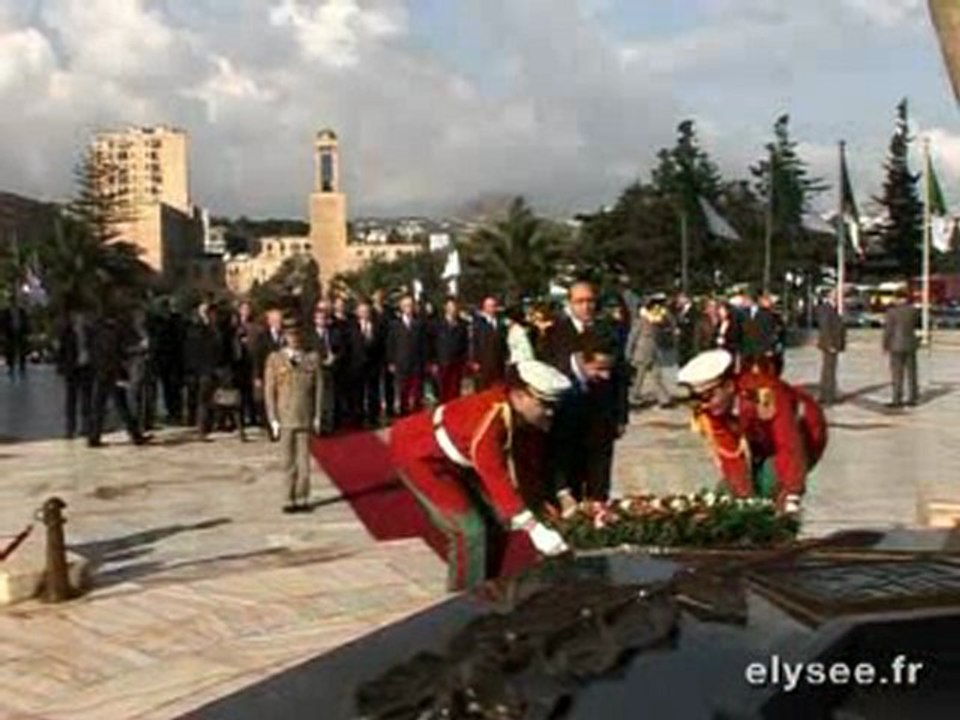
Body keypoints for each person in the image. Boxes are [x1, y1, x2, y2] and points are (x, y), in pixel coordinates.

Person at [389, 360, 572, 591]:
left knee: (498, 519)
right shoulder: (490, 416)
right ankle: (464, 600)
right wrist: (533, 527)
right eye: (544, 404)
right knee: (470, 531)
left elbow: (525, 462)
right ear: (520, 395)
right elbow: (493, 472)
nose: (549, 412)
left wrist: (540, 504)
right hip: (419, 455)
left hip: (455, 458)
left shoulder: (516, 411)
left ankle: (489, 584)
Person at [677, 349, 827, 512]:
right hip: (758, 440)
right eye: (697, 399)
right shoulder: (712, 411)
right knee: (726, 493)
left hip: (804, 431)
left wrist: (792, 493)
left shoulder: (765, 395)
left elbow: (788, 444)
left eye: (707, 396)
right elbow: (730, 455)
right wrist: (744, 499)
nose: (704, 405)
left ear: (728, 386)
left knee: (770, 482)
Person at [539, 281, 629, 501]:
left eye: (590, 301)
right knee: (570, 478)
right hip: (567, 416)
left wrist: (621, 415)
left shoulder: (610, 330)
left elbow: (620, 376)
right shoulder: (554, 334)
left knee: (599, 479)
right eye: (580, 301)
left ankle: (599, 518)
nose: (586, 306)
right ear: (569, 303)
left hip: (601, 416)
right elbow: (548, 371)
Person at [264, 319, 323, 513]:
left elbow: (319, 389)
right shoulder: (275, 359)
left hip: (304, 415)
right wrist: (272, 418)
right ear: (284, 338)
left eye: (297, 336)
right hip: (285, 416)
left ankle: (302, 496)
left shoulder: (311, 359)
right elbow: (270, 390)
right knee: (287, 461)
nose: (294, 340)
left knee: (304, 461)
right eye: (290, 336)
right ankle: (287, 498)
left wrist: (317, 415)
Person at [627, 300, 672, 409]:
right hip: (641, 354)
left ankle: (664, 399)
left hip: (654, 353)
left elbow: (667, 325)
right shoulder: (640, 322)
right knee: (638, 378)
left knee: (656, 377)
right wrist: (628, 353)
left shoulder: (657, 321)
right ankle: (632, 398)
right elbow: (632, 338)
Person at [386, 295, 427, 417]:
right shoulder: (395, 325)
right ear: (401, 307)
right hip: (401, 363)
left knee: (417, 392)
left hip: (416, 363)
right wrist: (391, 362)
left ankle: (417, 415)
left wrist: (425, 362)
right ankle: (404, 415)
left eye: (410, 305)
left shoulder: (419, 323)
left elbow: (423, 344)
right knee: (403, 391)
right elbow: (390, 344)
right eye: (405, 305)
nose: (408, 308)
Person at [56, 310, 94, 439]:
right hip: (72, 369)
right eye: (78, 316)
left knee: (86, 399)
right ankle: (70, 428)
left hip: (86, 368)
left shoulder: (89, 331)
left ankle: (86, 426)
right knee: (71, 399)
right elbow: (62, 350)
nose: (80, 318)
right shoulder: (67, 332)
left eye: (82, 316)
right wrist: (61, 367)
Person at [882, 289, 920, 408]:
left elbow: (888, 330)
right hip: (910, 345)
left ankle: (897, 398)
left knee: (897, 374)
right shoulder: (913, 311)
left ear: (898, 299)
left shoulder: (892, 312)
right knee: (912, 373)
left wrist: (885, 345)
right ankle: (913, 398)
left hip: (896, 345)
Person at [433, 297, 469, 403]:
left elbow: (465, 344)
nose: (452, 309)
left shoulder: (462, 324)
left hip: (457, 363)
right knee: (443, 391)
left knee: (455, 391)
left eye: (454, 307)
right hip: (442, 362)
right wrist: (433, 362)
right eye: (450, 307)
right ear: (445, 308)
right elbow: (432, 344)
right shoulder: (437, 323)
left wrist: (464, 361)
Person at [815, 291, 846, 406]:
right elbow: (825, 328)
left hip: (833, 344)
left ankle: (827, 395)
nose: (838, 296)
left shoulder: (833, 308)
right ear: (829, 296)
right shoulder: (825, 308)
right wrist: (830, 344)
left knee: (829, 370)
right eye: (835, 295)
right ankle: (828, 397)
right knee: (829, 371)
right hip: (830, 345)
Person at [470, 296, 507, 390]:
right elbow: (474, 342)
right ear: (484, 307)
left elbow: (503, 341)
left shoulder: (500, 322)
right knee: (483, 389)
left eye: (493, 306)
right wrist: (475, 361)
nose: (491, 308)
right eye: (489, 306)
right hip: (483, 362)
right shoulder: (478, 323)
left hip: (498, 362)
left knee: (497, 388)